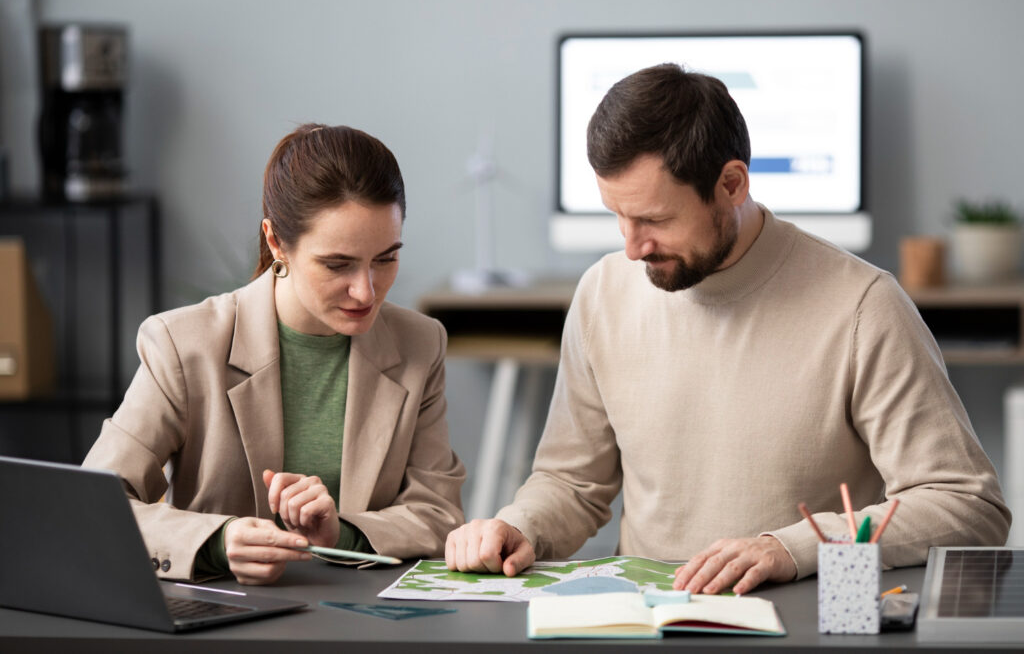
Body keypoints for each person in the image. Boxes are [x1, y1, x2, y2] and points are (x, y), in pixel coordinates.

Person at [445, 64, 1010, 595]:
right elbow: (572, 484)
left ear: (732, 183)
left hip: (802, 614)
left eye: (656, 220)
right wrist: (519, 525)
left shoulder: (863, 306)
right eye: (617, 216)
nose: (631, 247)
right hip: (645, 617)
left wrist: (791, 549)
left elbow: (966, 504)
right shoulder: (603, 292)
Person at [85, 123, 465, 585]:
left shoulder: (420, 345)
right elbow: (97, 505)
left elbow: (438, 512)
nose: (366, 291)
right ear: (275, 241)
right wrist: (216, 542)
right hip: (223, 617)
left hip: (365, 618)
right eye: (337, 264)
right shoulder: (183, 344)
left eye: (385, 258)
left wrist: (341, 533)